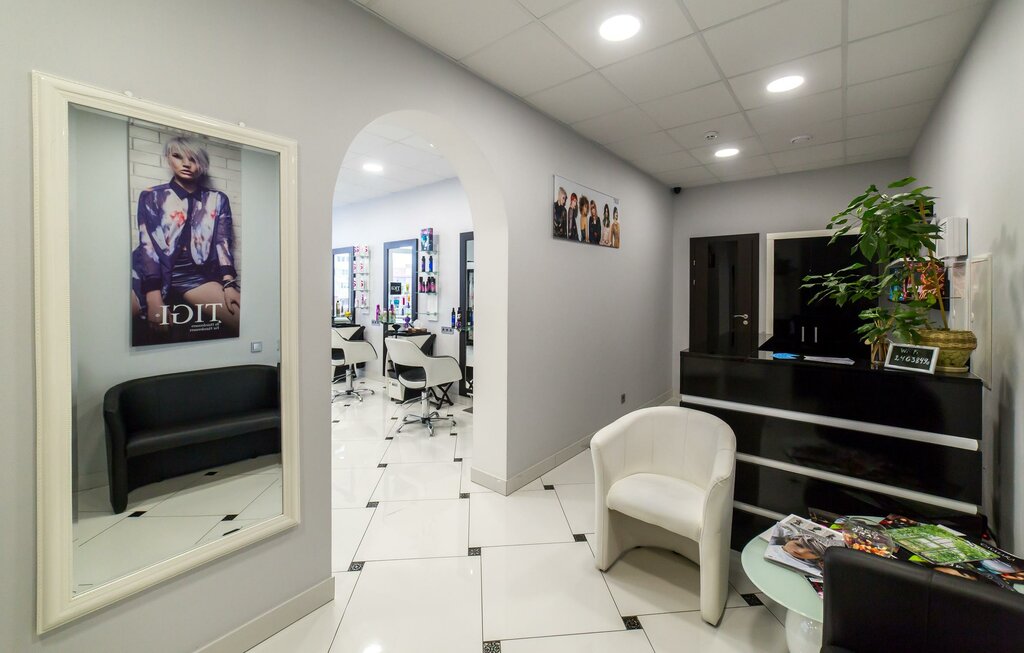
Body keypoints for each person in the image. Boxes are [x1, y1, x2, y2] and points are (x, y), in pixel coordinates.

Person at [131, 135, 240, 338]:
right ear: (168, 158)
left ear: (202, 163)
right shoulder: (152, 195)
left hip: (195, 275)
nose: (186, 164)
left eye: (193, 159)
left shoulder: (217, 199)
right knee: (119, 319)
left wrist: (228, 283)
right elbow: (148, 246)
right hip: (151, 271)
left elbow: (223, 242)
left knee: (240, 317)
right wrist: (154, 297)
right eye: (178, 156)